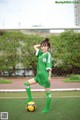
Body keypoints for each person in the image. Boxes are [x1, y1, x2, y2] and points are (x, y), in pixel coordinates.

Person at [24, 38, 52, 113]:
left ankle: (47, 108)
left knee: (48, 93)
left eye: (45, 46)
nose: (43, 47)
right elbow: (34, 47)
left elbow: (49, 66)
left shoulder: (48, 54)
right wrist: (43, 44)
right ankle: (30, 98)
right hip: (38, 76)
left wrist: (49, 76)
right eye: (42, 46)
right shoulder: (41, 53)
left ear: (48, 47)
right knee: (26, 83)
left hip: (45, 77)